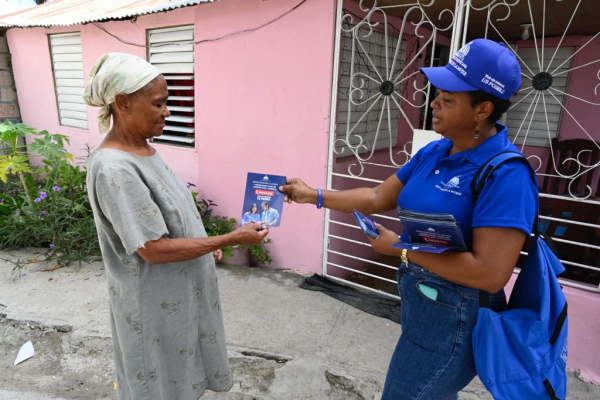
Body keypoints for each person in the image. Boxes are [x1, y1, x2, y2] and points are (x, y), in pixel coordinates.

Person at [280, 39, 538, 399]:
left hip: (457, 321)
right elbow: (377, 196)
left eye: (448, 100)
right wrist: (313, 195)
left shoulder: (506, 175)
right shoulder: (436, 149)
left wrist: (401, 249)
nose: (433, 103)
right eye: (438, 94)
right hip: (422, 307)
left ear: (483, 109)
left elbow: (490, 274)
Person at [82, 53, 269, 400]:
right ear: (123, 103)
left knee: (180, 379)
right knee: (157, 385)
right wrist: (230, 238)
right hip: (152, 306)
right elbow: (151, 249)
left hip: (179, 294)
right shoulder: (114, 169)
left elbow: (171, 221)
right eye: (159, 104)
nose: (167, 112)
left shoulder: (143, 150)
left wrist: (202, 246)